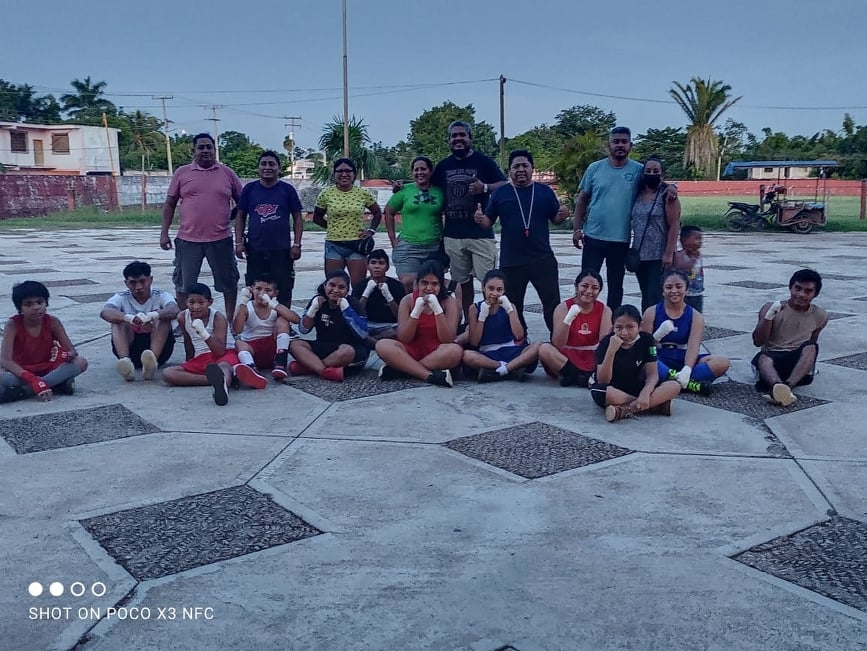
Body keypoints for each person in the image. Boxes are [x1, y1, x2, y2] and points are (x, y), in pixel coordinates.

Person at [573, 127, 677, 310]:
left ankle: (612, 323)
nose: (620, 145)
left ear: (630, 145)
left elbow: (655, 181)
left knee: (615, 286)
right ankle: (582, 317)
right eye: (616, 141)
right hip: (593, 237)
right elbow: (582, 199)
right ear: (609, 145)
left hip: (620, 240)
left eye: (624, 141)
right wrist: (576, 229)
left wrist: (672, 187)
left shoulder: (638, 170)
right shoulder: (595, 168)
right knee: (587, 282)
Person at [160, 132, 243, 326]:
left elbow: (243, 203)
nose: (205, 150)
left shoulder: (227, 173)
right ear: (193, 150)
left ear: (215, 150)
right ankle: (186, 322)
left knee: (228, 283)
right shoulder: (182, 173)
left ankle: (229, 322)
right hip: (188, 240)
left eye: (209, 147)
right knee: (183, 284)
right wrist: (164, 233)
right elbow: (170, 203)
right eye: (201, 147)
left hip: (220, 239)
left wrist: (230, 219)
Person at [480, 149, 566, 334]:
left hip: (542, 259)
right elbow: (488, 221)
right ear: (509, 170)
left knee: (552, 304)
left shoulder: (544, 191)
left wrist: (563, 216)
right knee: (512, 305)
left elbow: (556, 219)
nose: (520, 169)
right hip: (512, 261)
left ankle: (557, 343)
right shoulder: (501, 193)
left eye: (525, 165)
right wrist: (480, 220)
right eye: (516, 166)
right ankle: (519, 341)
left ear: (532, 168)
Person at [432, 120, 507, 322]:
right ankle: (470, 322)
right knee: (462, 284)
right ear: (448, 140)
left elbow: (504, 185)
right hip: (453, 235)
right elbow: (425, 186)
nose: (458, 139)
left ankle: (491, 321)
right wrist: (400, 189)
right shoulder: (443, 166)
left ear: (470, 138)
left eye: (462, 135)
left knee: (489, 283)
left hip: (481, 234)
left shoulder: (484, 162)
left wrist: (484, 188)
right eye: (454, 136)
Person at [641, 270, 730, 396]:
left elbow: (693, 347)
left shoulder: (695, 316)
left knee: (722, 362)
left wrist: (687, 369)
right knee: (644, 361)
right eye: (669, 287)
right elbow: (643, 346)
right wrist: (659, 335)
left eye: (679, 287)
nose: (674, 291)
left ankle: (673, 381)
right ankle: (688, 384)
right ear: (662, 291)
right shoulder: (651, 312)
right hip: (659, 356)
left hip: (683, 357)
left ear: (686, 290)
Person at [376, 260, 463, 387]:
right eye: (424, 283)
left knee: (455, 351)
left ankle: (403, 369)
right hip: (411, 349)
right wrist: (416, 311)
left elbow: (447, 339)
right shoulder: (408, 301)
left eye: (434, 284)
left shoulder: (449, 302)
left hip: (437, 352)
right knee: (382, 345)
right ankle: (429, 376)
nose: (429, 288)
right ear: (418, 283)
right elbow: (404, 337)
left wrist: (437, 309)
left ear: (441, 285)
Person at [234, 150, 304, 307]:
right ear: (258, 168)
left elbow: (298, 217)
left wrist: (297, 244)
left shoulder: (287, 190)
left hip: (281, 250)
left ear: (278, 168)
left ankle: (284, 322)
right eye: (263, 164)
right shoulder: (249, 189)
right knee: (256, 287)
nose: (267, 167)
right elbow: (240, 216)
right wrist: (238, 243)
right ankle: (256, 322)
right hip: (255, 249)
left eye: (272, 164)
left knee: (283, 287)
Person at [590, 304, 681, 422]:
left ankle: (625, 410)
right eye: (619, 327)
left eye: (630, 327)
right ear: (613, 328)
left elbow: (652, 374)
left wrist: (645, 392)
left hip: (636, 385)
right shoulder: (606, 342)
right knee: (600, 391)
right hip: (614, 389)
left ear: (639, 327)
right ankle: (654, 406)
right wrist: (611, 351)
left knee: (674, 385)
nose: (624, 333)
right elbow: (603, 380)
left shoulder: (646, 340)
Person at [1, 281, 88, 403]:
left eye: (40, 302)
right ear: (19, 308)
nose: (36, 307)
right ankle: (55, 384)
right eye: (28, 304)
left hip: (48, 368)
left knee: (81, 362)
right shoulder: (13, 325)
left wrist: (67, 355)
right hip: (21, 371)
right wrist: (32, 379)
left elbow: (72, 351)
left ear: (46, 303)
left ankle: (24, 392)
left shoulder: (53, 322)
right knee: (3, 377)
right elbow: (5, 360)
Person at [751, 269, 828, 407]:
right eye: (797, 288)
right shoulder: (771, 307)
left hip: (796, 363)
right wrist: (768, 318)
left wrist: (807, 364)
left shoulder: (820, 316)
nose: (801, 294)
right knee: (763, 357)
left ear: (815, 294)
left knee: (811, 347)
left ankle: (786, 386)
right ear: (790, 288)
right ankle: (777, 385)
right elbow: (758, 342)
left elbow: (812, 341)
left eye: (808, 291)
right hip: (772, 358)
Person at [162, 283, 245, 406]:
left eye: (201, 303)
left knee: (224, 367)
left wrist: (204, 333)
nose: (196, 307)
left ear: (210, 302)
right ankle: (215, 380)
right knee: (168, 373)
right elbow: (188, 341)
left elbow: (220, 351)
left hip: (225, 354)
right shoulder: (182, 316)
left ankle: (223, 387)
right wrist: (189, 362)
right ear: (186, 302)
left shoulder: (218, 317)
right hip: (202, 357)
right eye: (191, 302)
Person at [100, 260, 178, 382]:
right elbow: (105, 312)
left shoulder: (161, 295)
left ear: (150, 280)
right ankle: (126, 363)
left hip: (160, 350)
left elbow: (175, 309)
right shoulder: (121, 297)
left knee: (163, 318)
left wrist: (152, 316)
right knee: (117, 321)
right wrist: (129, 318)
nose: (138, 287)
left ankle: (151, 363)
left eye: (142, 281)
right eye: (133, 283)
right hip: (131, 348)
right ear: (126, 283)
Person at [312, 158, 383, 287]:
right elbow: (316, 217)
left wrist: (371, 230)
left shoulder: (362, 193)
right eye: (340, 171)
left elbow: (377, 213)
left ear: (354, 174)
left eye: (348, 171)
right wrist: (333, 227)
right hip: (334, 245)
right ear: (334, 174)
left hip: (356, 245)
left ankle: (356, 308)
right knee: (334, 286)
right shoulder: (326, 194)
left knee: (359, 286)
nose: (344, 174)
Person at [289, 270, 369, 382]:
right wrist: (313, 310)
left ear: (346, 291)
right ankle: (325, 371)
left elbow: (363, 334)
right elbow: (303, 329)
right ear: (325, 285)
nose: (335, 290)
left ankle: (309, 367)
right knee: (294, 344)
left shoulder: (353, 304)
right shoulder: (318, 300)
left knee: (347, 351)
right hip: (324, 345)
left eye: (341, 287)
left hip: (349, 350)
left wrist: (347, 310)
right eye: (332, 285)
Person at [462, 269, 541, 382]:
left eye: (499, 289)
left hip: (512, 350)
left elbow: (519, 335)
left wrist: (509, 309)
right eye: (491, 288)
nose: (494, 293)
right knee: (467, 355)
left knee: (538, 346)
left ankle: (501, 371)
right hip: (488, 354)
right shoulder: (474, 309)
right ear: (484, 288)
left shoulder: (510, 306)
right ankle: (510, 368)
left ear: (504, 291)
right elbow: (474, 341)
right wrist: (482, 316)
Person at [539, 269, 612, 388]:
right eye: (585, 286)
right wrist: (569, 318)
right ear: (576, 287)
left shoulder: (605, 310)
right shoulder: (563, 308)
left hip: (591, 356)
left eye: (594, 288)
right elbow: (557, 344)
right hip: (566, 356)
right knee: (544, 349)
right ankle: (580, 377)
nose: (589, 291)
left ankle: (573, 377)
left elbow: (604, 343)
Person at [385, 156, 445, 292]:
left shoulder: (440, 191)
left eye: (423, 169)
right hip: (408, 247)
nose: (419, 172)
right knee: (409, 283)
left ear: (431, 171)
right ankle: (410, 312)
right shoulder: (405, 190)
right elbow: (388, 212)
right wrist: (392, 239)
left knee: (432, 286)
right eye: (416, 169)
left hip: (433, 247)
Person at [630, 156, 681, 312]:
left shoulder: (667, 195)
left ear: (662, 174)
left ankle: (657, 330)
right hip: (640, 254)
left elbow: (674, 225)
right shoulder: (637, 194)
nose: (651, 174)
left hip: (658, 255)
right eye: (648, 171)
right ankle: (647, 329)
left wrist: (668, 253)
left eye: (655, 171)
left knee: (655, 296)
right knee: (645, 295)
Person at [232, 273, 300, 384]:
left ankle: (280, 362)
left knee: (283, 320)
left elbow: (296, 319)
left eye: (268, 290)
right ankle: (251, 369)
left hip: (272, 349)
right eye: (258, 289)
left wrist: (272, 305)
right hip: (252, 350)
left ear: (275, 293)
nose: (262, 293)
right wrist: (243, 302)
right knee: (239, 343)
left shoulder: (275, 306)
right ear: (252, 289)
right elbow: (237, 330)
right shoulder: (246, 307)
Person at [351, 249, 406, 348]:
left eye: (381, 263)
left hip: (388, 326)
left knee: (402, 329)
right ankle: (379, 343)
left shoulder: (396, 285)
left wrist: (389, 296)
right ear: (367, 266)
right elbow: (356, 313)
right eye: (373, 263)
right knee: (350, 325)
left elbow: (399, 315)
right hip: (367, 324)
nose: (377, 266)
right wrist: (366, 292)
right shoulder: (360, 285)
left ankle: (373, 341)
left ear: (387, 267)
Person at [673, 225, 705, 313]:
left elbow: (700, 271)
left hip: (697, 292)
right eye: (697, 239)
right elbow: (683, 266)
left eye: (701, 239)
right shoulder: (680, 255)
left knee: (697, 314)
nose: (700, 242)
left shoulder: (698, 254)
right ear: (684, 240)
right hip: (683, 294)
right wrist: (693, 259)